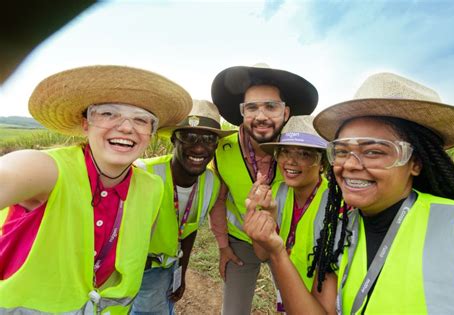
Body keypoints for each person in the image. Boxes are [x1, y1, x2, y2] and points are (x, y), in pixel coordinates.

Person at [244, 72, 454, 314]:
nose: (351, 164)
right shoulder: (338, 233)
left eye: (374, 151)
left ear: (415, 162)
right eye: (342, 151)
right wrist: (278, 251)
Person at [0, 65, 192, 314]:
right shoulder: (45, 169)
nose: (126, 127)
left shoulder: (152, 188)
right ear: (85, 124)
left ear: (151, 134)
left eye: (141, 119)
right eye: (108, 113)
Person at [210, 63, 319, 314]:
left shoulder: (302, 152)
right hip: (241, 245)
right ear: (242, 113)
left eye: (271, 106)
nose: (261, 116)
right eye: (252, 107)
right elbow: (218, 199)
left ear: (286, 112)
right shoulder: (221, 150)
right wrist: (223, 245)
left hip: (290, 243)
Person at [131, 100, 235, 314]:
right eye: (188, 137)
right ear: (173, 140)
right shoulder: (141, 173)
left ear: (216, 145)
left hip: (170, 268)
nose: (199, 147)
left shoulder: (212, 183)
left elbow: (189, 230)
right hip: (139, 271)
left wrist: (181, 272)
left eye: (209, 139)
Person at [247, 115, 329, 312]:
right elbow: (261, 254)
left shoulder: (337, 205)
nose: (291, 161)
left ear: (323, 163)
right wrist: (265, 218)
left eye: (304, 154)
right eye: (284, 152)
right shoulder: (277, 192)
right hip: (287, 287)